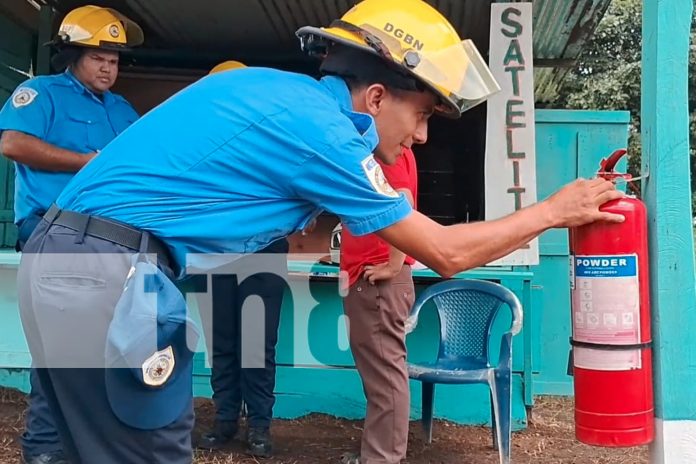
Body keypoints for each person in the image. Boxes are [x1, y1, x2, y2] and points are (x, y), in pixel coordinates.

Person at [17, 0, 624, 462]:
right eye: (422, 115)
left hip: (63, 258)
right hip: (111, 272)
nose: (422, 138)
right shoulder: (322, 133)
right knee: (149, 446)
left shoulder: (276, 95)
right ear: (378, 95)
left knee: (57, 446)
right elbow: (442, 252)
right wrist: (552, 210)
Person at [0, 6, 142, 464]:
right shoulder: (40, 93)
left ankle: (85, 446)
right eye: (98, 56)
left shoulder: (123, 110)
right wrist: (85, 161)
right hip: (54, 233)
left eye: (115, 59)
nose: (108, 67)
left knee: (102, 350)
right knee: (60, 350)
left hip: (111, 240)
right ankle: (45, 448)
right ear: (71, 54)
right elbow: (12, 143)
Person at [191, 60, 289, 457]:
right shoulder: (199, 140)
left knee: (257, 342)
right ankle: (225, 420)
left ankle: (260, 426)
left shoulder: (272, 138)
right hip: (213, 252)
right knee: (223, 341)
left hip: (262, 251)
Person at [339, 146, 418, 464]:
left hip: (378, 280)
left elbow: (403, 200)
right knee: (382, 378)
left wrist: (393, 265)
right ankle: (377, 455)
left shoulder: (388, 151)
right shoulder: (392, 149)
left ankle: (382, 458)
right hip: (375, 279)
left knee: (385, 379)